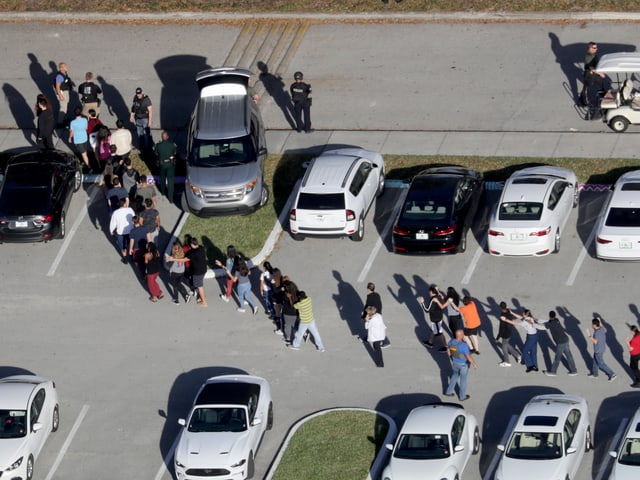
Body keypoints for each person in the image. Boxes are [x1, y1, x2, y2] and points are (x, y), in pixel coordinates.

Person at [168, 237, 208, 307]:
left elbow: (184, 260)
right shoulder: (201, 248)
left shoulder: (193, 253)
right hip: (203, 269)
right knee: (200, 284)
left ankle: (204, 302)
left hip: (198, 272)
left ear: (192, 244)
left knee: (199, 286)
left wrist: (173, 259)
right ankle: (203, 296)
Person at [502, 308, 544, 373]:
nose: (522, 314)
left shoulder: (525, 322)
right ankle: (535, 366)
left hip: (531, 337)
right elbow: (521, 317)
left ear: (525, 314)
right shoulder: (530, 318)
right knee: (533, 351)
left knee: (524, 351)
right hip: (535, 335)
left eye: (523, 313)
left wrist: (506, 320)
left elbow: (516, 323)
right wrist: (512, 313)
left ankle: (530, 366)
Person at [541, 311, 578, 376]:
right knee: (569, 356)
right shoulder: (556, 320)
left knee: (557, 358)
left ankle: (553, 372)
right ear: (555, 316)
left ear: (549, 316)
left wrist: (533, 324)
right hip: (565, 340)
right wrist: (536, 319)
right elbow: (547, 322)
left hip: (560, 343)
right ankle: (574, 370)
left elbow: (543, 327)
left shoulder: (551, 323)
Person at [444, 329, 477, 401]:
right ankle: (462, 396)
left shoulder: (451, 342)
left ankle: (449, 392)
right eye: (463, 334)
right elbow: (468, 356)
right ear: (461, 335)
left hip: (455, 363)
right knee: (463, 380)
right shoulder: (463, 345)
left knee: (454, 376)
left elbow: (448, 349)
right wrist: (474, 363)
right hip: (463, 365)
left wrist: (450, 357)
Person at [586, 316, 616, 381]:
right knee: (595, 362)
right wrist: (600, 321)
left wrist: (589, 335)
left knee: (601, 364)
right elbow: (605, 330)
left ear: (594, 325)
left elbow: (595, 341)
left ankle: (612, 374)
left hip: (598, 350)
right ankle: (595, 374)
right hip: (601, 348)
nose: (591, 325)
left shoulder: (597, 333)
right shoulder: (601, 329)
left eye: (592, 324)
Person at [418, 286, 448, 352]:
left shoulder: (433, 299)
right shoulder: (440, 296)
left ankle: (446, 347)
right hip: (439, 317)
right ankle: (430, 342)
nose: (428, 293)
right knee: (434, 330)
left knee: (440, 333)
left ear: (431, 292)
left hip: (435, 319)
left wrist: (422, 303)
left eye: (429, 291)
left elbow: (427, 310)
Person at [153, 130, 178, 203]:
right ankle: (170, 198)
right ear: (167, 137)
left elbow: (156, 153)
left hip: (162, 165)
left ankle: (163, 192)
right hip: (170, 165)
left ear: (162, 137)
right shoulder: (172, 145)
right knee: (170, 181)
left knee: (162, 179)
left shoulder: (158, 145)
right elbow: (175, 153)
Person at [580, 42, 607, 107]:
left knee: (600, 86)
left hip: (595, 74)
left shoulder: (593, 54)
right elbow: (591, 68)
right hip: (589, 75)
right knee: (586, 88)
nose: (596, 49)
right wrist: (600, 73)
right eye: (594, 48)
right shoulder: (589, 56)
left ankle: (604, 97)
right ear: (590, 48)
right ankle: (583, 102)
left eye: (596, 47)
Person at [109, 198, 135, 263]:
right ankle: (131, 256)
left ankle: (125, 259)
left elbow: (113, 223)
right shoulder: (130, 210)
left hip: (120, 233)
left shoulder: (116, 212)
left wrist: (111, 231)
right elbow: (134, 218)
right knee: (130, 245)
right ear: (124, 204)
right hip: (130, 231)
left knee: (123, 247)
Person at [496, 301, 521, 367]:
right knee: (506, 344)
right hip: (510, 330)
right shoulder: (509, 311)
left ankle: (507, 362)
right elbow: (518, 317)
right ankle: (517, 355)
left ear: (501, 308)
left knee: (504, 347)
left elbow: (501, 328)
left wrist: (498, 337)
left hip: (505, 333)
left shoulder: (502, 316)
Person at [130, 87, 153, 152]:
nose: (138, 95)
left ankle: (149, 146)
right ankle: (141, 146)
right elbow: (133, 107)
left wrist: (150, 121)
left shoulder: (147, 99)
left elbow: (150, 111)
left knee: (148, 133)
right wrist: (131, 116)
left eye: (139, 94)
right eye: (137, 94)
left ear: (142, 92)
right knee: (139, 133)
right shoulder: (135, 98)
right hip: (137, 118)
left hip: (145, 118)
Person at [68, 107, 91, 172]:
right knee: (85, 153)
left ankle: (89, 167)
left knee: (83, 154)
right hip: (84, 138)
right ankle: (86, 162)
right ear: (80, 113)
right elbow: (86, 128)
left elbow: (72, 132)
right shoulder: (85, 120)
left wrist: (70, 138)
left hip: (78, 140)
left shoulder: (73, 122)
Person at [54, 62, 73, 127]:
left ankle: (64, 118)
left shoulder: (64, 74)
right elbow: (57, 87)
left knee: (65, 105)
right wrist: (60, 96)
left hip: (65, 92)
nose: (66, 67)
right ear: (61, 68)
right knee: (63, 108)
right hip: (62, 93)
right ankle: (60, 122)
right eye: (65, 66)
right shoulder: (59, 76)